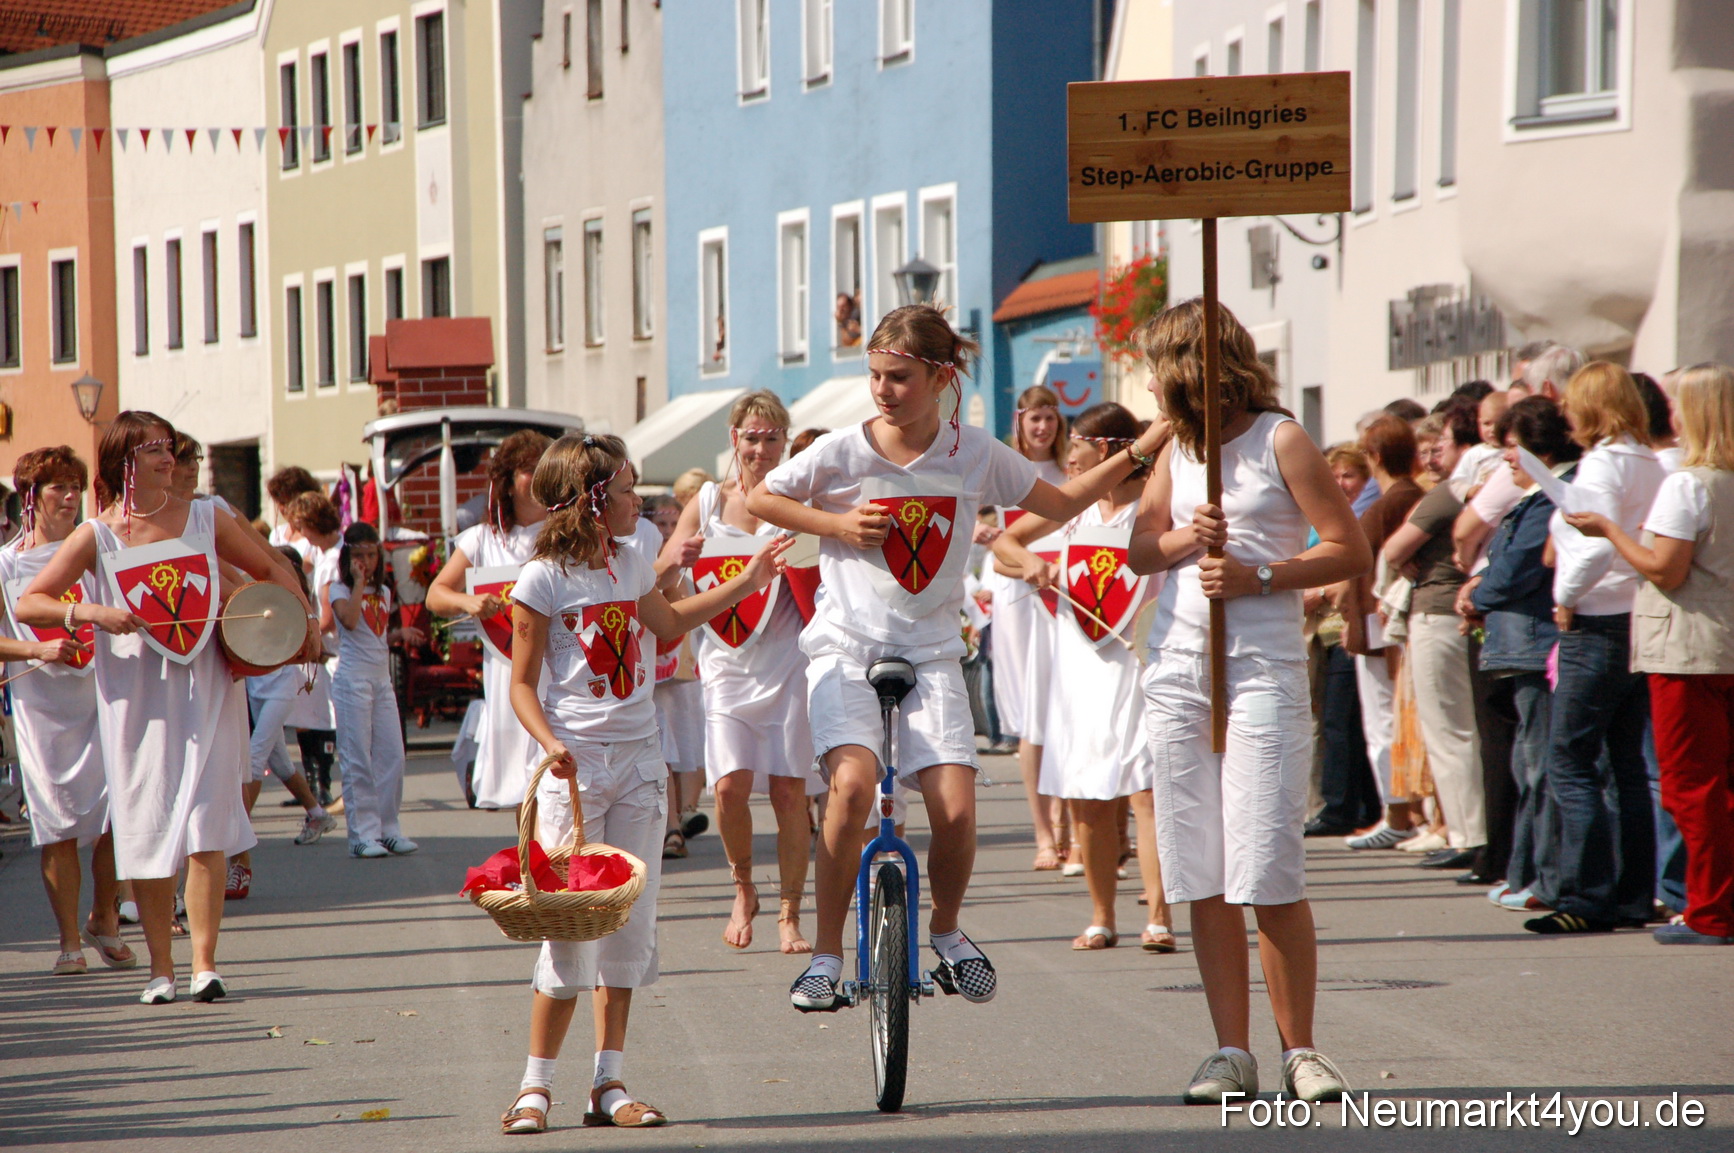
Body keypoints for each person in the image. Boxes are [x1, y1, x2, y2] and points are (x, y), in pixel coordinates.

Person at [746, 303, 1170, 1013]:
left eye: (900, 377)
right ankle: (825, 955)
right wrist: (836, 523)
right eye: (876, 375)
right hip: (847, 649)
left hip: (933, 653)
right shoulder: (843, 452)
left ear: (940, 376)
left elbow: (1061, 503)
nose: (883, 389)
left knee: (957, 810)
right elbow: (763, 496)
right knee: (851, 790)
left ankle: (944, 930)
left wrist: (1141, 447)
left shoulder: (973, 452)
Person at [500, 433, 787, 1134]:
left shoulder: (633, 562)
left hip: (638, 765)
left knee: (627, 927)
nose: (643, 503)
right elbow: (521, 684)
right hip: (575, 772)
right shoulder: (541, 580)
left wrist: (745, 584)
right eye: (629, 491)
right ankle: (534, 1087)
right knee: (572, 927)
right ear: (594, 500)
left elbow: (667, 623)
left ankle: (609, 1080)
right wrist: (551, 742)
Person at [1128, 299, 1369, 1104]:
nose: (1156, 383)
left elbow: (1348, 545)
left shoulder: (1280, 438)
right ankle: (1231, 1049)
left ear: (1200, 365)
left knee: (1266, 863)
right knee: (1199, 868)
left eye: (1163, 366)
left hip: (1260, 668)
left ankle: (1301, 1047)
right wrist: (1187, 541)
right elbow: (1139, 548)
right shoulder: (1178, 448)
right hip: (1179, 671)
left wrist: (1259, 574)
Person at [18, 411, 321, 1004]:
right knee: (148, 826)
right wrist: (94, 613)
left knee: (208, 824)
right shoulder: (97, 535)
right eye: (153, 449)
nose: (168, 457)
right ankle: (162, 968)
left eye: (168, 448)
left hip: (205, 689)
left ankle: (204, 964)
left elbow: (270, 566)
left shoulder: (207, 517)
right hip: (134, 704)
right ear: (124, 462)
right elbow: (32, 603)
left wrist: (300, 618)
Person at [993, 403, 1175, 952]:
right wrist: (1030, 565)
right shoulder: (1072, 509)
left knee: (1146, 792)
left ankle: (1159, 918)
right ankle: (1102, 916)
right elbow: (1007, 545)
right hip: (1082, 666)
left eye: (1075, 440)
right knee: (1091, 797)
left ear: (1105, 448)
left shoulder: (1152, 506)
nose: (1066, 451)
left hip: (1140, 661)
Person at [1563, 363, 1734, 944]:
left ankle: (1712, 912)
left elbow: (1665, 567)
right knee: (1717, 785)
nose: (1673, 416)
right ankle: (1716, 904)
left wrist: (1611, 532)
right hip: (1724, 643)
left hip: (1687, 649)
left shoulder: (1690, 484)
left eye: (1681, 404)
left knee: (1692, 787)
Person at [658, 391, 822, 953]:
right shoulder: (706, 501)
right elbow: (658, 581)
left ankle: (790, 913)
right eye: (751, 437)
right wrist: (677, 561)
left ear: (784, 440)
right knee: (728, 789)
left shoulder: (801, 494)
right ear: (735, 438)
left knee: (789, 794)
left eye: (772, 437)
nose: (760, 447)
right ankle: (744, 886)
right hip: (725, 664)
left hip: (789, 659)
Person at [1527, 362, 1666, 935]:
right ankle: (1633, 893)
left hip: (1597, 617)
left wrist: (1566, 594)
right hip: (1632, 614)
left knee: (1571, 758)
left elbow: (1593, 541)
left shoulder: (1606, 463)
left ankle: (1588, 895)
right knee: (1626, 764)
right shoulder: (1648, 460)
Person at [0, 447, 135, 976]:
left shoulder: (94, 550)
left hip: (103, 696)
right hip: (44, 711)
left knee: (113, 814)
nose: (72, 497)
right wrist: (35, 650)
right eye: (59, 488)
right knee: (57, 823)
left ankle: (104, 917)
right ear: (31, 497)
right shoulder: (7, 564)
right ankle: (68, 941)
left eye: (77, 487)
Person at [1463, 398, 1579, 912]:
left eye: (1512, 447)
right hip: (1521, 644)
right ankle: (1528, 874)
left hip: (1537, 645)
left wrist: (1475, 593)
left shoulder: (1551, 499)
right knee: (1527, 763)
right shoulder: (1536, 499)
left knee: (1541, 766)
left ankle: (1543, 879)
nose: (1506, 459)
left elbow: (1518, 568)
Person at [426, 430, 552, 812]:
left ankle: (559, 866)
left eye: (544, 470)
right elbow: (436, 594)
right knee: (522, 786)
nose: (538, 478)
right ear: (508, 482)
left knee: (556, 778)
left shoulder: (564, 534)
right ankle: (533, 868)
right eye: (529, 470)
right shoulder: (482, 539)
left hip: (559, 666)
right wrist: (468, 601)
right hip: (508, 673)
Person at [1383, 406, 1484, 872]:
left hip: (1437, 613)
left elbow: (1393, 548)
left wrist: (1405, 555)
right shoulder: (1467, 492)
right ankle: (1466, 831)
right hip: (1449, 612)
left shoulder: (1448, 495)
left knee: (1449, 730)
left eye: (1442, 443)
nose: (1435, 454)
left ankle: (1470, 834)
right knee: (1456, 730)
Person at [987, 385, 1070, 870]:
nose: (1042, 428)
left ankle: (1065, 825)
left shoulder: (1069, 474)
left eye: (1050, 419)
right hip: (1020, 595)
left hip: (1064, 593)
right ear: (1020, 421)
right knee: (1030, 714)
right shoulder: (1003, 471)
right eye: (1034, 419)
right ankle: (1043, 833)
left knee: (1062, 706)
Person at [1338, 416, 1425, 849]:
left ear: (1373, 457)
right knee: (1385, 722)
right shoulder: (1399, 497)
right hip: (1375, 621)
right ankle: (1399, 810)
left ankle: (1399, 812)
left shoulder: (1395, 499)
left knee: (1384, 723)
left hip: (1380, 625)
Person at [324, 521, 424, 859]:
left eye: (372, 553)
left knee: (392, 756)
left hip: (380, 681)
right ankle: (361, 835)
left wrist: (401, 634)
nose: (367, 560)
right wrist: (359, 583)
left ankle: (388, 829)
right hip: (352, 681)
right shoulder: (338, 589)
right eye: (360, 555)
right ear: (348, 558)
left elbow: (375, 636)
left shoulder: (383, 592)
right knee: (357, 760)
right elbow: (350, 621)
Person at [1304, 446, 1382, 837]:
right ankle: (1349, 804)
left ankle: (1342, 808)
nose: (1340, 483)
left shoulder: (1363, 515)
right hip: (1318, 632)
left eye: (1348, 476)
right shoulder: (1319, 516)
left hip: (1344, 628)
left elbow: (1353, 566)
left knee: (1342, 721)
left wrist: (1316, 591)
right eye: (1333, 475)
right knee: (1328, 720)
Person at [244, 545, 338, 847]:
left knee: (255, 757)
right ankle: (317, 813)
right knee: (281, 763)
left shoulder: (294, 603)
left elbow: (301, 646)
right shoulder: (253, 593)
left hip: (281, 687)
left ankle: (237, 833)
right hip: (256, 684)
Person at [639, 494, 707, 855]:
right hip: (651, 669)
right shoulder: (643, 561)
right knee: (662, 747)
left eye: (672, 524)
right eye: (660, 524)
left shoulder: (691, 559)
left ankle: (685, 811)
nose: (667, 531)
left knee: (686, 744)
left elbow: (685, 606)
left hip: (682, 664)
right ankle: (671, 828)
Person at [284, 492, 343, 807]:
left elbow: (330, 618)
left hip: (334, 652)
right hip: (330, 650)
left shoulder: (334, 560)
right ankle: (314, 787)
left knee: (323, 719)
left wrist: (303, 637)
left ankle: (321, 788)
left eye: (300, 527)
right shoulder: (325, 553)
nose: (299, 535)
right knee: (312, 715)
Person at [267, 466, 324, 547]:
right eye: (280, 503)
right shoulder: (276, 534)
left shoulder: (316, 536)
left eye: (287, 502)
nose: (284, 508)